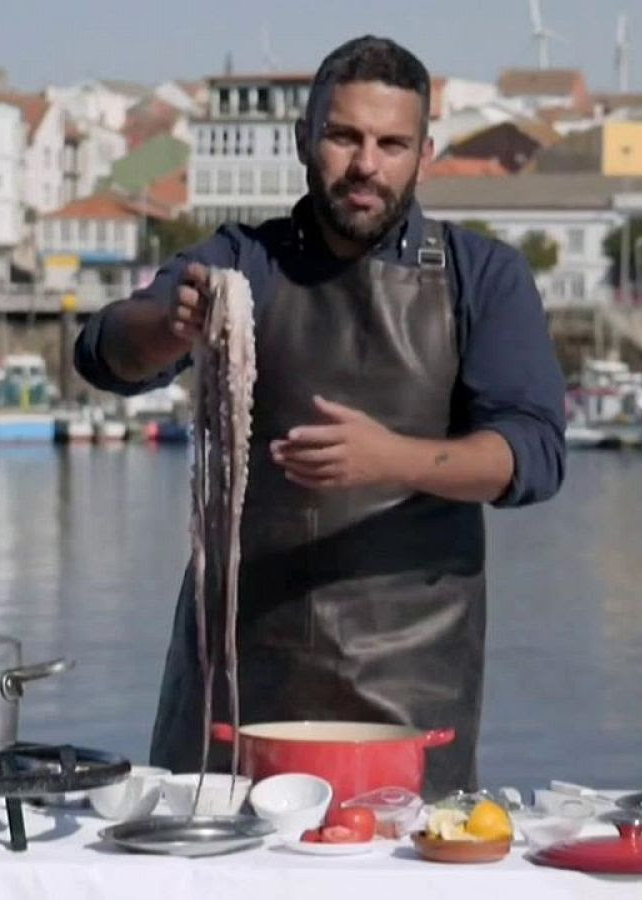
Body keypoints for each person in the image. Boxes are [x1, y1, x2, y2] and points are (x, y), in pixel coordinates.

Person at [73, 35, 566, 795]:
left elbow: (534, 455)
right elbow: (104, 354)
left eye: (392, 143)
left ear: (424, 155)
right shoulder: (242, 262)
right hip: (236, 688)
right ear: (306, 139)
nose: (367, 164)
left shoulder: (484, 277)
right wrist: (170, 325)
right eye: (344, 136)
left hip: (410, 694)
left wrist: (390, 460)